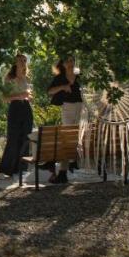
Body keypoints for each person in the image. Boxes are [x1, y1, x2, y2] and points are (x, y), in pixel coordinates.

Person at [45, 56, 84, 184]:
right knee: (67, 138)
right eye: (67, 61)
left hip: (83, 108)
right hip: (68, 107)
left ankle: (73, 164)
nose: (70, 63)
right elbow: (50, 91)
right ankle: (63, 172)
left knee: (79, 137)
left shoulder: (80, 76)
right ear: (63, 64)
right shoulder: (60, 78)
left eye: (72, 60)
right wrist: (62, 87)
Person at [0, 53, 34, 178]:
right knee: (13, 138)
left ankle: (20, 170)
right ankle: (5, 170)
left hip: (27, 109)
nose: (23, 63)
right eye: (20, 60)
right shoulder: (9, 78)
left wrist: (29, 97)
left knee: (25, 138)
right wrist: (20, 95)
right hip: (15, 109)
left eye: (25, 60)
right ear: (14, 62)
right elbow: (4, 98)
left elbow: (28, 96)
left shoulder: (26, 78)